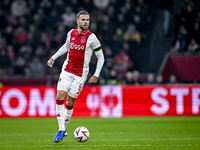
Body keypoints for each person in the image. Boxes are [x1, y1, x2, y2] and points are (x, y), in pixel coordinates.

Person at [47, 11, 105, 143]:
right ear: (77, 21)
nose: (86, 22)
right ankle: (61, 129)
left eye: (88, 20)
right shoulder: (70, 33)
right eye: (83, 20)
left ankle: (64, 128)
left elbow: (101, 58)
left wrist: (96, 75)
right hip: (67, 71)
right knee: (60, 95)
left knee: (69, 102)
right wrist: (53, 57)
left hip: (80, 75)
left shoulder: (92, 38)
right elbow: (66, 47)